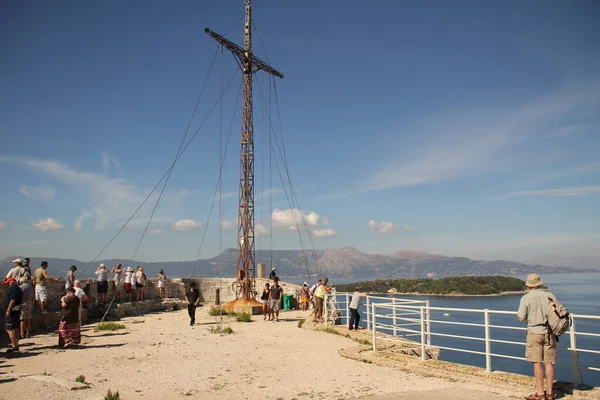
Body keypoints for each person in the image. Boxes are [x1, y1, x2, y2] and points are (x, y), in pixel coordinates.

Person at [517, 273, 557, 400]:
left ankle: (540, 394)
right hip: (549, 332)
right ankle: (550, 394)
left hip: (534, 332)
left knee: (537, 363)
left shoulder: (526, 298)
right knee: (549, 363)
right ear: (539, 283)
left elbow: (521, 318)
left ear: (529, 285)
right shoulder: (549, 296)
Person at [4, 277, 23, 352]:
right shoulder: (18, 288)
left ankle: (14, 345)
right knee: (15, 327)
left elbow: (12, 299)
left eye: (8, 283)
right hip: (17, 309)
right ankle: (16, 344)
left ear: (11, 282)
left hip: (12, 310)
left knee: (9, 328)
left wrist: (8, 309)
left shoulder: (14, 288)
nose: (8, 285)